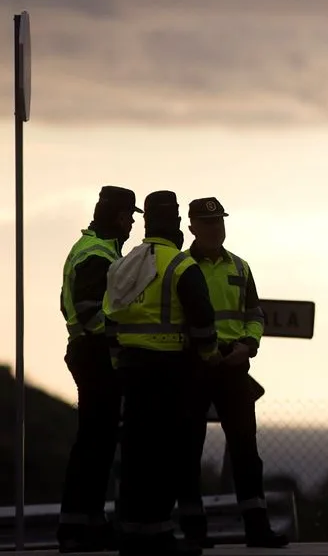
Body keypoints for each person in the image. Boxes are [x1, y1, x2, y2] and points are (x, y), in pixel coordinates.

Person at [103, 191, 221, 556]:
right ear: (176, 225)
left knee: (136, 455)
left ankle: (132, 535)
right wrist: (208, 355)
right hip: (171, 372)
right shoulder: (181, 266)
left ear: (148, 222)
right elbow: (203, 321)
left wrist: (118, 360)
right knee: (166, 457)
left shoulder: (125, 264)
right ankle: (159, 536)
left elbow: (109, 317)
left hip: (131, 371)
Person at [176, 197, 288, 549]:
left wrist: (247, 346)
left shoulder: (240, 267)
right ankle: (195, 532)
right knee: (188, 449)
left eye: (219, 222)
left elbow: (254, 315)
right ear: (191, 227)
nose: (215, 229)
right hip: (194, 366)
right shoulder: (180, 267)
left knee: (246, 450)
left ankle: (257, 528)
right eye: (207, 223)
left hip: (234, 367)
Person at [57, 186, 141, 552]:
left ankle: (86, 524)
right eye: (131, 215)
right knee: (94, 445)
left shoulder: (92, 249)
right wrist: (122, 337)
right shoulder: (98, 255)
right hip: (96, 355)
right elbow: (91, 312)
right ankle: (78, 529)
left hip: (88, 352)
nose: (134, 221)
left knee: (98, 444)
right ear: (120, 217)